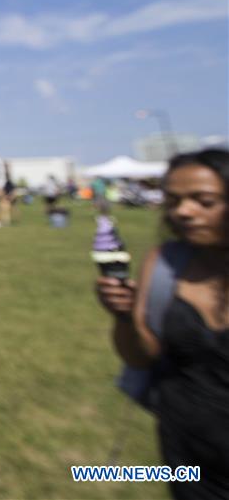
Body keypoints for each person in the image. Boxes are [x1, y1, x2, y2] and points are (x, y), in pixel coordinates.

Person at [96, 148, 228, 500]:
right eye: (173, 200)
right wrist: (123, 317)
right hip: (187, 455)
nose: (184, 211)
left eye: (204, 201)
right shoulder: (166, 263)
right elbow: (141, 357)